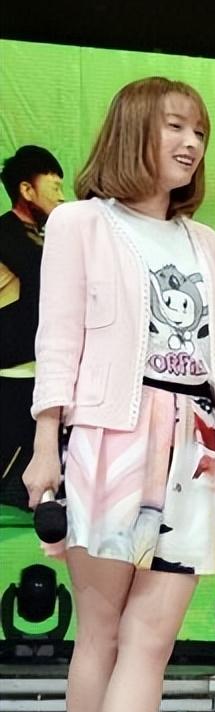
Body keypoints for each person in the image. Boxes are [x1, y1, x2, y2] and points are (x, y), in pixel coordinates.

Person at [22, 77, 215, 712]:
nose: (189, 144)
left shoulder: (205, 241)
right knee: (102, 634)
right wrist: (45, 444)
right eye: (174, 126)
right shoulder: (81, 222)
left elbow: (209, 353)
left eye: (199, 132)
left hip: (196, 443)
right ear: (132, 131)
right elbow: (58, 338)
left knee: (153, 641)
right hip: (111, 435)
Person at [0, 145, 65, 509]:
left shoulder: (52, 236)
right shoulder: (5, 236)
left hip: (46, 374)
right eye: (54, 187)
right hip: (13, 375)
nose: (62, 196)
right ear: (26, 190)